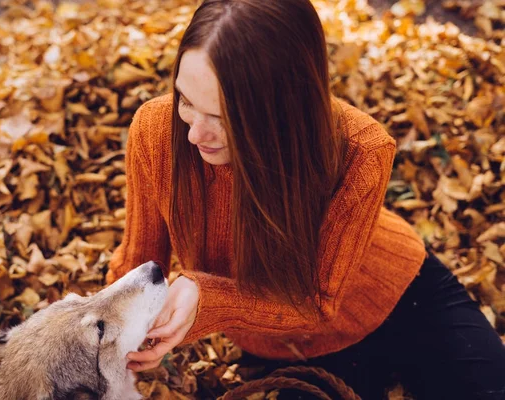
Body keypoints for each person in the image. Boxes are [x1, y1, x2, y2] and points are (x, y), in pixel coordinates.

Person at [105, 0, 505, 398]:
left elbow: (319, 301)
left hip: (403, 298)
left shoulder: (360, 149)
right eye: (186, 101)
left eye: (223, 119)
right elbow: (137, 262)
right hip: (289, 347)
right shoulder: (157, 131)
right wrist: (117, 340)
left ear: (286, 110)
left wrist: (205, 295)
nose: (194, 135)